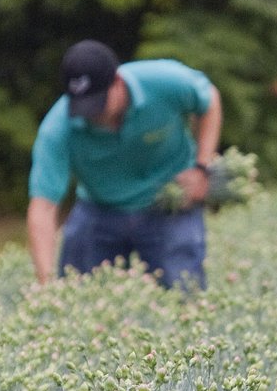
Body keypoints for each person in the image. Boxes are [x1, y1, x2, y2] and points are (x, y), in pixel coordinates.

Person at [27, 39, 223, 290]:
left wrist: (202, 168)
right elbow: (43, 207)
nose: (92, 114)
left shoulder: (165, 81)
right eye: (83, 106)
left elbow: (210, 100)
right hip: (100, 207)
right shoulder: (58, 128)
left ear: (118, 82)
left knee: (185, 295)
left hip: (170, 200)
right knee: (78, 297)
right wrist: (46, 283)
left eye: (99, 103)